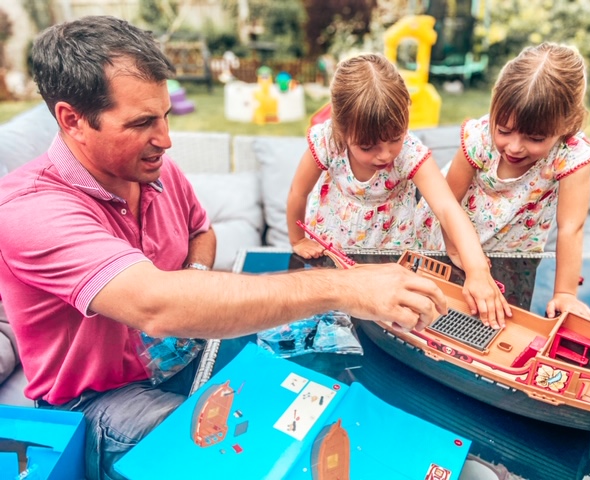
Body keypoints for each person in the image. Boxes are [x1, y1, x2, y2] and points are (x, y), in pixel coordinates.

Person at [0, 17, 449, 480]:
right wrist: (346, 286)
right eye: (142, 123)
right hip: (104, 400)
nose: (166, 139)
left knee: (332, 369)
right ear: (72, 120)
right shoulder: (29, 210)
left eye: (165, 115)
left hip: (192, 351)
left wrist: (194, 276)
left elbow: (201, 234)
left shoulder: (153, 169)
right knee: (241, 456)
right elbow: (155, 304)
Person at [286, 53, 510, 328]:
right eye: (367, 147)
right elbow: (299, 191)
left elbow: (447, 208)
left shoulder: (409, 153)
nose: (384, 155)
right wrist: (297, 240)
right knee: (335, 323)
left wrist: (476, 270)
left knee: (385, 322)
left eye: (395, 138)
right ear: (342, 130)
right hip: (335, 249)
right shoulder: (327, 142)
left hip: (389, 252)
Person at [417, 42, 590, 321]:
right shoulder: (480, 139)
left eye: (535, 138)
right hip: (451, 236)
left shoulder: (570, 155)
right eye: (504, 131)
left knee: (501, 321)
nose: (514, 147)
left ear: (566, 124)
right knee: (438, 307)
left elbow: (571, 227)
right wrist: (457, 253)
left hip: (514, 249)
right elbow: (447, 202)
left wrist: (565, 293)